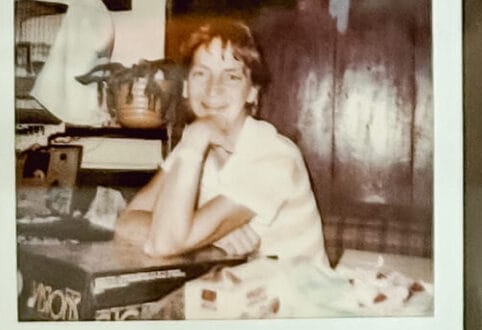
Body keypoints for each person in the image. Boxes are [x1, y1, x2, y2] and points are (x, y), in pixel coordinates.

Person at [116, 20, 328, 266]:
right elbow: (126, 223)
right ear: (185, 87)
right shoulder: (195, 143)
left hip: (296, 289)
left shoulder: (274, 156)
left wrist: (193, 235)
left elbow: (162, 244)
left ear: (253, 92)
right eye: (201, 74)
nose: (213, 89)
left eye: (231, 77)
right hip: (243, 285)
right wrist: (208, 236)